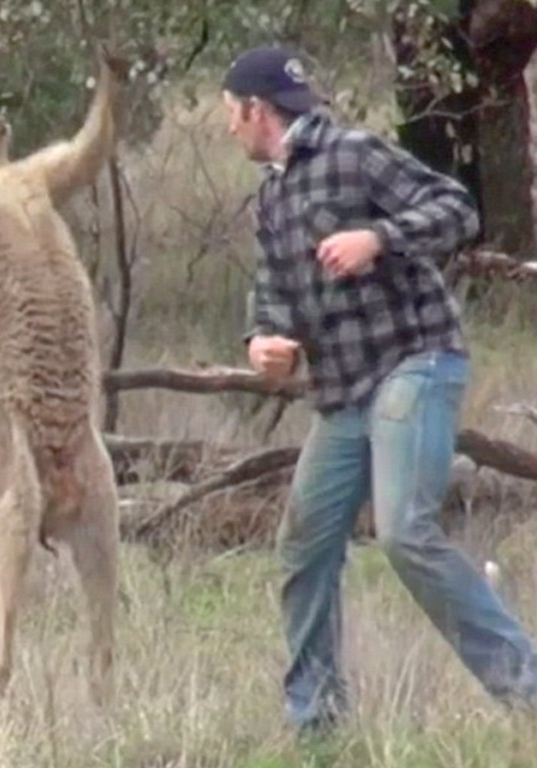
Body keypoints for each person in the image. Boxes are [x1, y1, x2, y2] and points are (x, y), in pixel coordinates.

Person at [221, 45, 537, 734]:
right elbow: (270, 298)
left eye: (230, 114)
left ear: (255, 110)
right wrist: (261, 344)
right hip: (342, 393)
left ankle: (528, 688)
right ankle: (317, 723)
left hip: (415, 365)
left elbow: (457, 210)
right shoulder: (272, 197)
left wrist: (378, 237)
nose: (228, 128)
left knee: (404, 534)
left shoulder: (355, 154)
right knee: (304, 546)